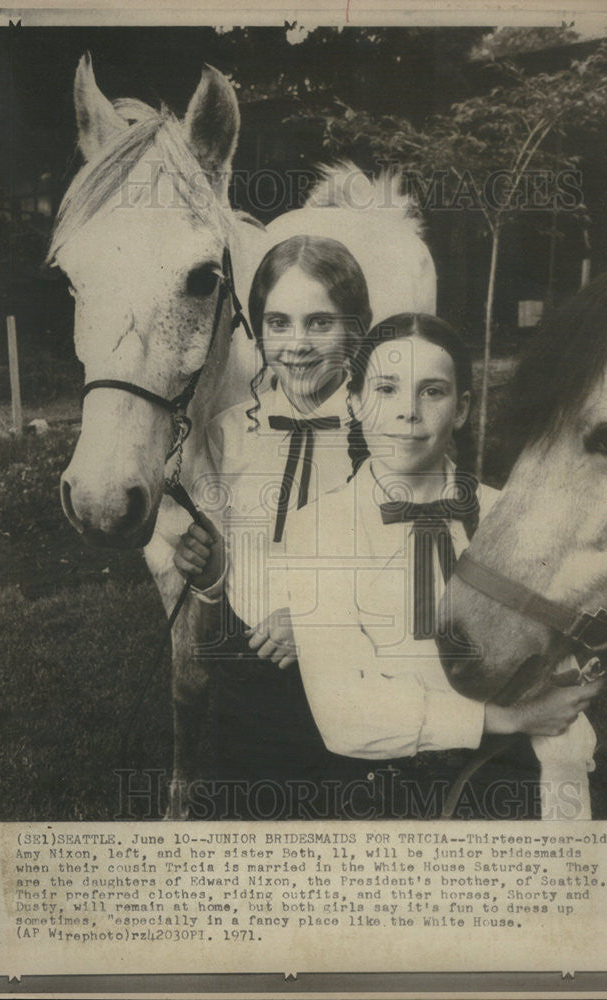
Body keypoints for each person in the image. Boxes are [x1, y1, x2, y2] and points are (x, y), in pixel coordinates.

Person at [253, 313, 603, 819]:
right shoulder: (317, 530)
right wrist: (509, 716)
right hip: (387, 792)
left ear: (461, 409)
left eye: (432, 391)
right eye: (386, 390)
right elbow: (345, 716)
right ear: (353, 403)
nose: (408, 414)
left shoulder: (511, 515)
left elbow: (560, 692)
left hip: (519, 781)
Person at [170, 234, 373, 818]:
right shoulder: (226, 435)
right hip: (248, 678)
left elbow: (408, 568)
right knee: (254, 821)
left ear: (355, 331)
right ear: (256, 333)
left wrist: (317, 620)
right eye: (278, 323)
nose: (298, 345)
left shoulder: (387, 437)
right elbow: (232, 570)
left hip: (354, 673)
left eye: (320, 323)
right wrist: (209, 573)